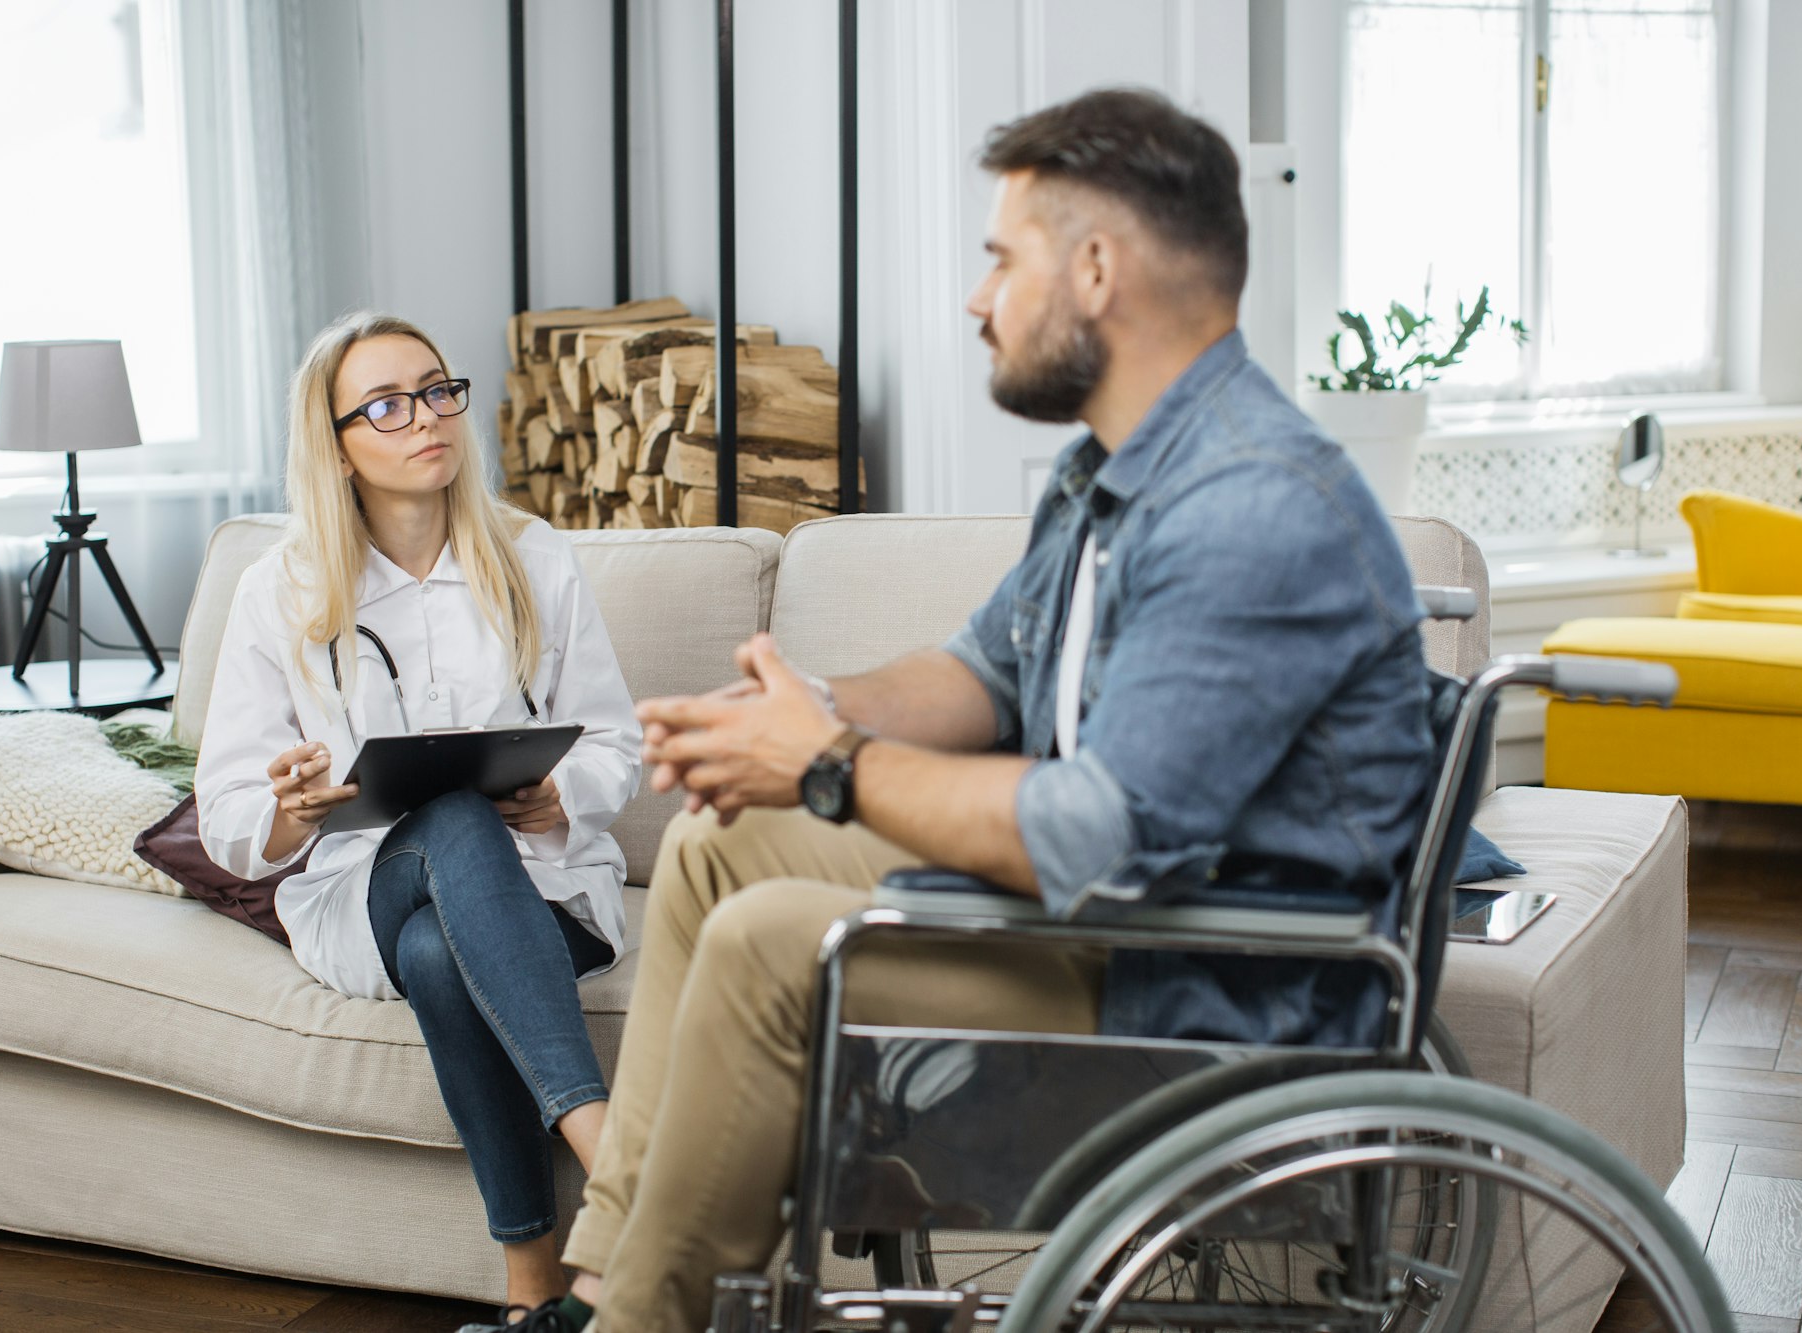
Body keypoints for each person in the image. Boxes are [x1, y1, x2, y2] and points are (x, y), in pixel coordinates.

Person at [537, 88, 1438, 1333]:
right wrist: (807, 714)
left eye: (999, 260)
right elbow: (985, 674)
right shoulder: (1111, 471)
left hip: (1209, 994)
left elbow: (1094, 833)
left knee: (769, 945)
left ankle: (649, 1321)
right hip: (1125, 931)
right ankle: (604, 1288)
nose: (975, 299)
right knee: (714, 844)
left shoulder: (1251, 507)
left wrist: (834, 762)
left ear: (1096, 269)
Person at [194, 313, 641, 1330]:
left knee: (445, 951)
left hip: (546, 886)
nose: (425, 419)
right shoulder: (282, 593)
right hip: (365, 895)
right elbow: (226, 816)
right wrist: (288, 808)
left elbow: (617, 743)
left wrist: (560, 793)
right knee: (443, 816)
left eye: (438, 391)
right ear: (336, 443)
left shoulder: (532, 556)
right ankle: (623, 1180)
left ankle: (530, 1292)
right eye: (387, 406)